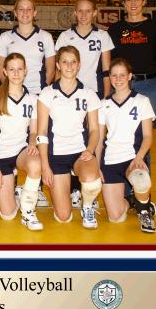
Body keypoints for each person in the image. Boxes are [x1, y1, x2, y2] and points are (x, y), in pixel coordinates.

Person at [55, 0, 114, 209]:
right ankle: (73, 189)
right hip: (67, 94)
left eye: (88, 11)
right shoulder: (65, 36)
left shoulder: (103, 36)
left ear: (95, 13)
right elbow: (58, 69)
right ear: (74, 12)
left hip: (93, 95)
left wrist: (105, 97)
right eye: (80, 10)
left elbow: (106, 70)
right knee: (71, 138)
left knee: (95, 138)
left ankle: (92, 184)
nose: (83, 15)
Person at [0, 0, 55, 207]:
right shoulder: (5, 37)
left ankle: (36, 187)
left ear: (35, 12)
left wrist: (38, 94)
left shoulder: (46, 37)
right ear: (15, 12)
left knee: (37, 138)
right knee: (10, 136)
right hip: (11, 93)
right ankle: (10, 182)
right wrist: (10, 90)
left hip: (36, 94)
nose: (25, 12)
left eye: (28, 9)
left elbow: (50, 68)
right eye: (20, 9)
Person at [37, 46, 102, 229]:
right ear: (57, 64)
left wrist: (89, 150)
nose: (69, 65)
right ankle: (68, 195)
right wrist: (45, 166)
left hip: (80, 153)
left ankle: (87, 205)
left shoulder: (88, 94)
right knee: (63, 216)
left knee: (91, 179)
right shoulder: (48, 93)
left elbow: (95, 129)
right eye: (64, 61)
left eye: (73, 61)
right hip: (56, 155)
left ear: (79, 65)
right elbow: (41, 132)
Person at [96, 58, 156, 233]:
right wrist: (98, 165)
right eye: (114, 75)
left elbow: (147, 136)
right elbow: (99, 140)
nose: (118, 78)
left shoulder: (142, 101)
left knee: (141, 178)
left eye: (122, 75)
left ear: (130, 76)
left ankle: (144, 211)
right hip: (110, 160)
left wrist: (139, 158)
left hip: (132, 158)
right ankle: (132, 200)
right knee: (115, 217)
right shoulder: (103, 104)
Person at [0, 53, 43, 230]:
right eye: (11, 69)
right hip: (1, 155)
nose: (16, 73)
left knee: (35, 163)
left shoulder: (33, 99)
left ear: (25, 71)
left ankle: (27, 211)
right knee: (8, 215)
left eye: (19, 69)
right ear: (4, 71)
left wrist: (33, 143)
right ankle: (17, 195)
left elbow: (33, 131)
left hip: (21, 151)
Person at [107, 0, 156, 117]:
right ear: (123, 3)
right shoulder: (115, 29)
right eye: (129, 0)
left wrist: (149, 75)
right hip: (120, 84)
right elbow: (111, 59)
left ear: (144, 1)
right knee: (120, 127)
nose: (133, 3)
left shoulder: (155, 28)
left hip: (148, 85)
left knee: (145, 130)